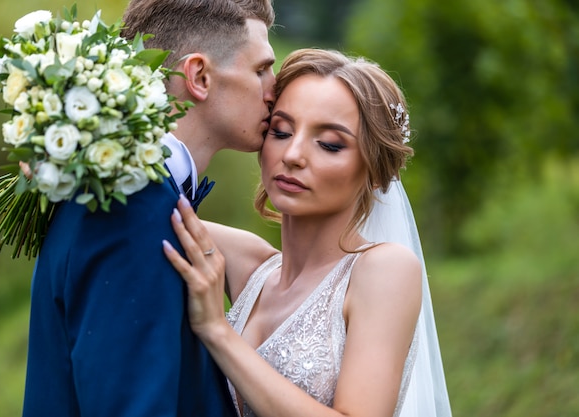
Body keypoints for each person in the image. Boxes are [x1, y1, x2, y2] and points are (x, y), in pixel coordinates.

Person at [164, 48, 452, 416]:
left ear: (376, 170)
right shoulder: (247, 263)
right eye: (280, 131)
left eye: (330, 144)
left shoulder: (384, 270)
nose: (294, 154)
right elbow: (145, 211)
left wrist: (217, 332)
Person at [22, 1, 275, 416]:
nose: (274, 88)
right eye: (261, 69)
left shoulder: (120, 191)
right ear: (199, 76)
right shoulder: (131, 210)